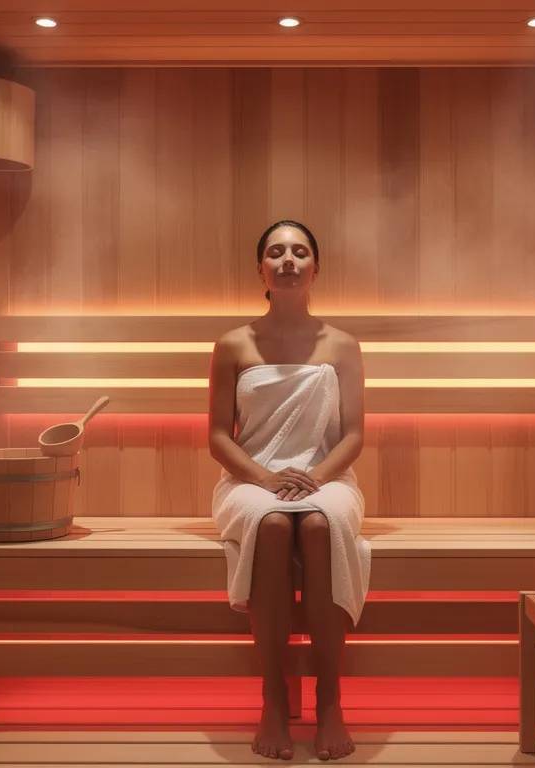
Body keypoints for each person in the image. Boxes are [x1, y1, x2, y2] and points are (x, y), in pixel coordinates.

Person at [208, 220, 370, 761]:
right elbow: (216, 437)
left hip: (326, 477)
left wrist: (316, 478)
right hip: (249, 480)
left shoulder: (342, 344)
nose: (288, 261)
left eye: (299, 252)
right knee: (274, 524)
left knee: (320, 525)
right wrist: (265, 477)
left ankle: (329, 703)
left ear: (315, 267)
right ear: (261, 268)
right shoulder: (232, 344)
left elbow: (353, 436)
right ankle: (273, 700)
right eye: (276, 252)